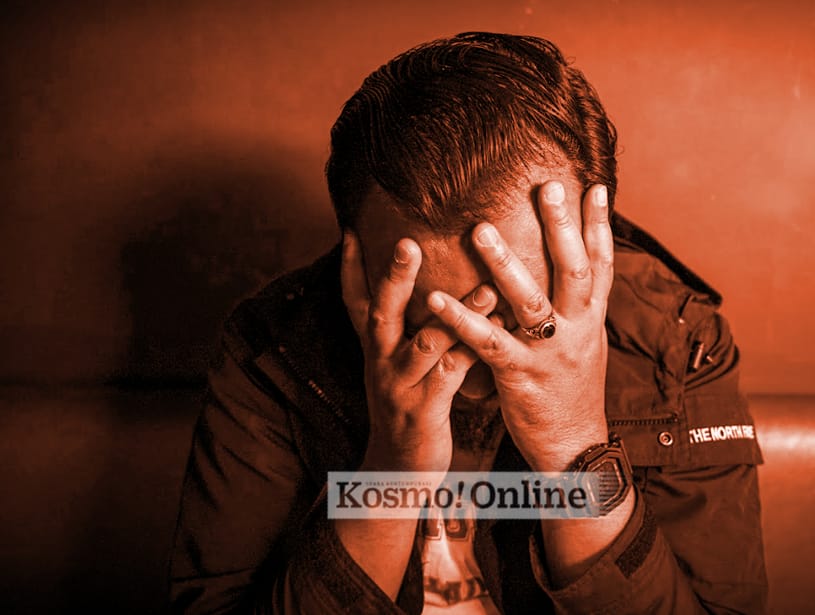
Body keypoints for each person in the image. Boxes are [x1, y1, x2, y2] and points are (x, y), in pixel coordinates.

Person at [169, 32, 767, 614]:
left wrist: (575, 449)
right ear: (357, 265)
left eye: (524, 313)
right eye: (432, 325)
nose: (482, 357)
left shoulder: (676, 342)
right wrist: (391, 472)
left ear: (592, 240)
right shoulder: (272, 351)